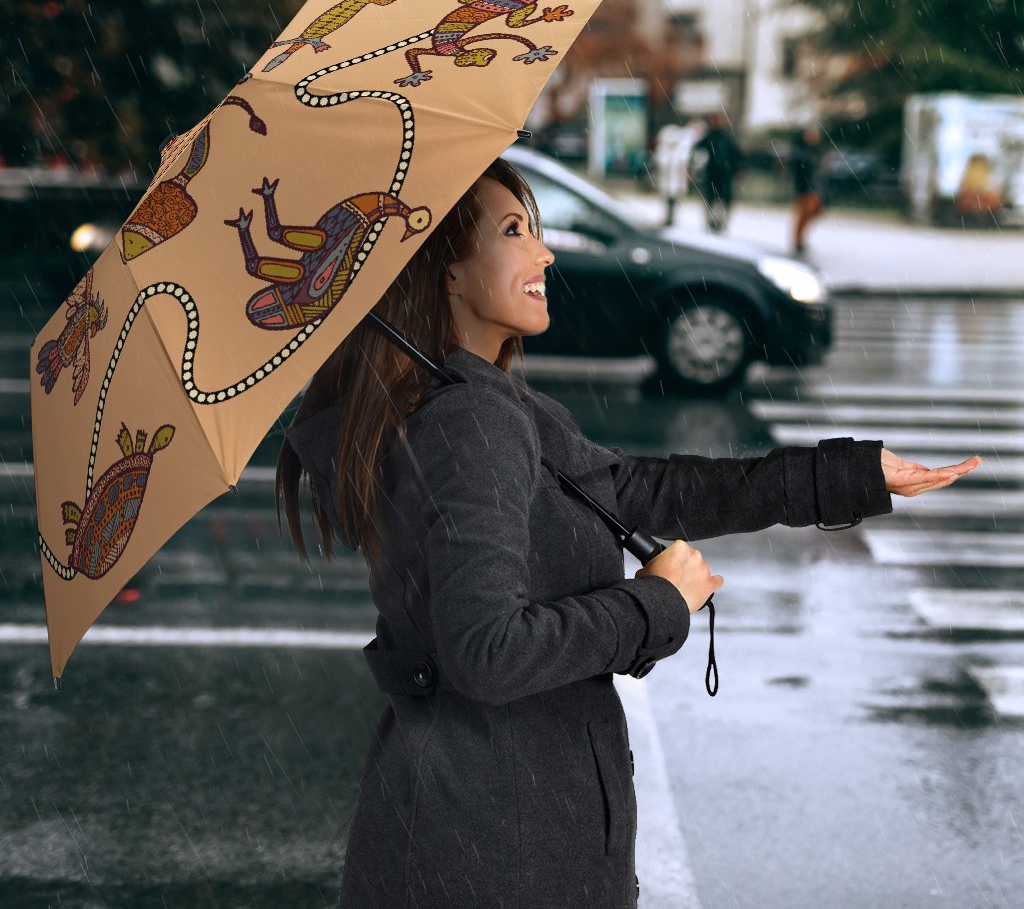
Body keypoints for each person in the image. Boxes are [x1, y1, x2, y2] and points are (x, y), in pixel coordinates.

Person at [277, 157, 982, 909]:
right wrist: (654, 604)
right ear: (446, 272)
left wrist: (847, 475)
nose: (544, 253)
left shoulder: (483, 406)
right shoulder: (470, 422)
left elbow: (643, 490)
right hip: (495, 845)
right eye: (515, 231)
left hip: (487, 825)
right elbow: (487, 652)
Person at [691, 112, 742, 234]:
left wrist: (736, 170)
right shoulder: (710, 136)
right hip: (713, 173)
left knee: (722, 199)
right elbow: (698, 149)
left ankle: (720, 222)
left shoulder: (726, 137)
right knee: (711, 198)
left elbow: (736, 155)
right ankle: (711, 221)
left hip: (724, 174)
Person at [790, 125, 824, 255]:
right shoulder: (800, 151)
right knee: (804, 214)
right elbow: (799, 170)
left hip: (814, 187)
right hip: (805, 187)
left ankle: (800, 239)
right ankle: (798, 240)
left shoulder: (814, 151)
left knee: (814, 211)